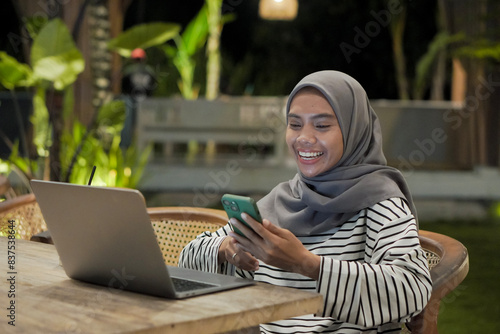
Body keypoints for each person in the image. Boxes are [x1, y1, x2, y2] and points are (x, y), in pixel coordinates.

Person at [179, 70, 432, 333]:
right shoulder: (285, 198)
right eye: (295, 124)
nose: (304, 138)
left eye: (322, 125)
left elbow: (411, 289)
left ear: (354, 129)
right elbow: (187, 260)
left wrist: (307, 264)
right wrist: (226, 248)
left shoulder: (380, 202)